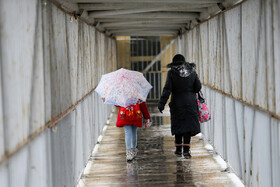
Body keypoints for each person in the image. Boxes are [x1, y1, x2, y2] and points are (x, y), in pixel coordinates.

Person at [158, 54, 201, 159]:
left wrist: (162, 103)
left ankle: (178, 149)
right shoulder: (192, 72)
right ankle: (186, 151)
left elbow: (167, 89)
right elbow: (198, 87)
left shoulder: (172, 72)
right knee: (188, 126)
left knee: (178, 124)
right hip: (190, 102)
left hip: (177, 102)